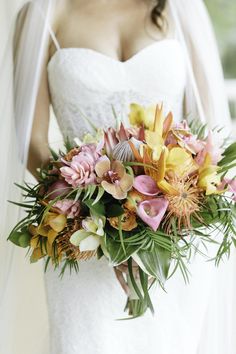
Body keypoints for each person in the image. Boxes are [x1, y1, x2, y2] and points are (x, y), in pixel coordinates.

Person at [0, 1, 235, 354]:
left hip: (172, 244)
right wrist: (96, 213)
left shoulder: (180, 8)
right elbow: (31, 141)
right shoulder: (44, 13)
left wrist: (164, 214)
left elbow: (206, 135)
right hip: (84, 240)